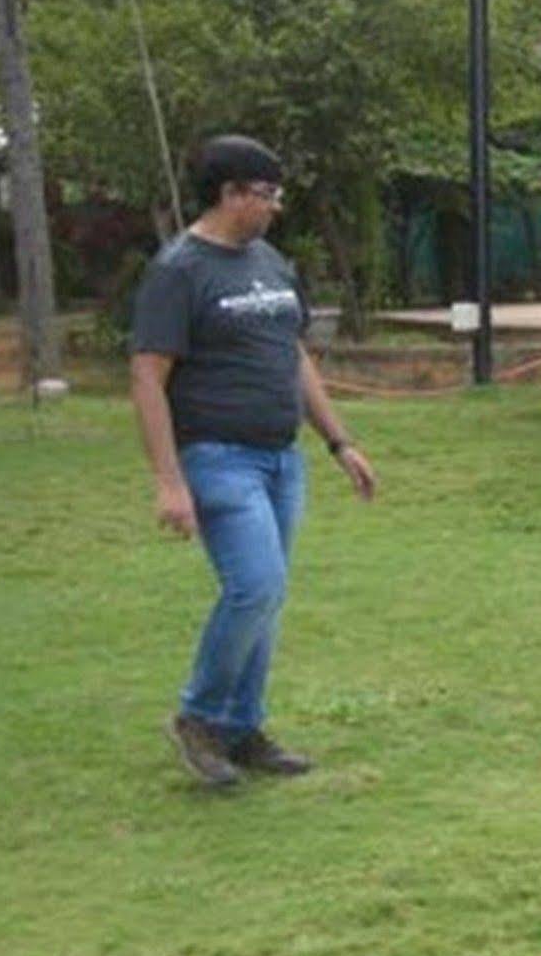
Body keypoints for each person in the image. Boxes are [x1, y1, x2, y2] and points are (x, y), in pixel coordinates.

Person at [129, 135, 378, 789]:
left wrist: (338, 441)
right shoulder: (179, 270)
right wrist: (168, 481)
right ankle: (199, 717)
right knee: (256, 585)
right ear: (230, 193)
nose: (274, 207)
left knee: (264, 597)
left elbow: (293, 357)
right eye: (265, 195)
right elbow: (148, 378)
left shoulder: (269, 263)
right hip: (216, 457)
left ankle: (242, 730)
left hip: (280, 458)